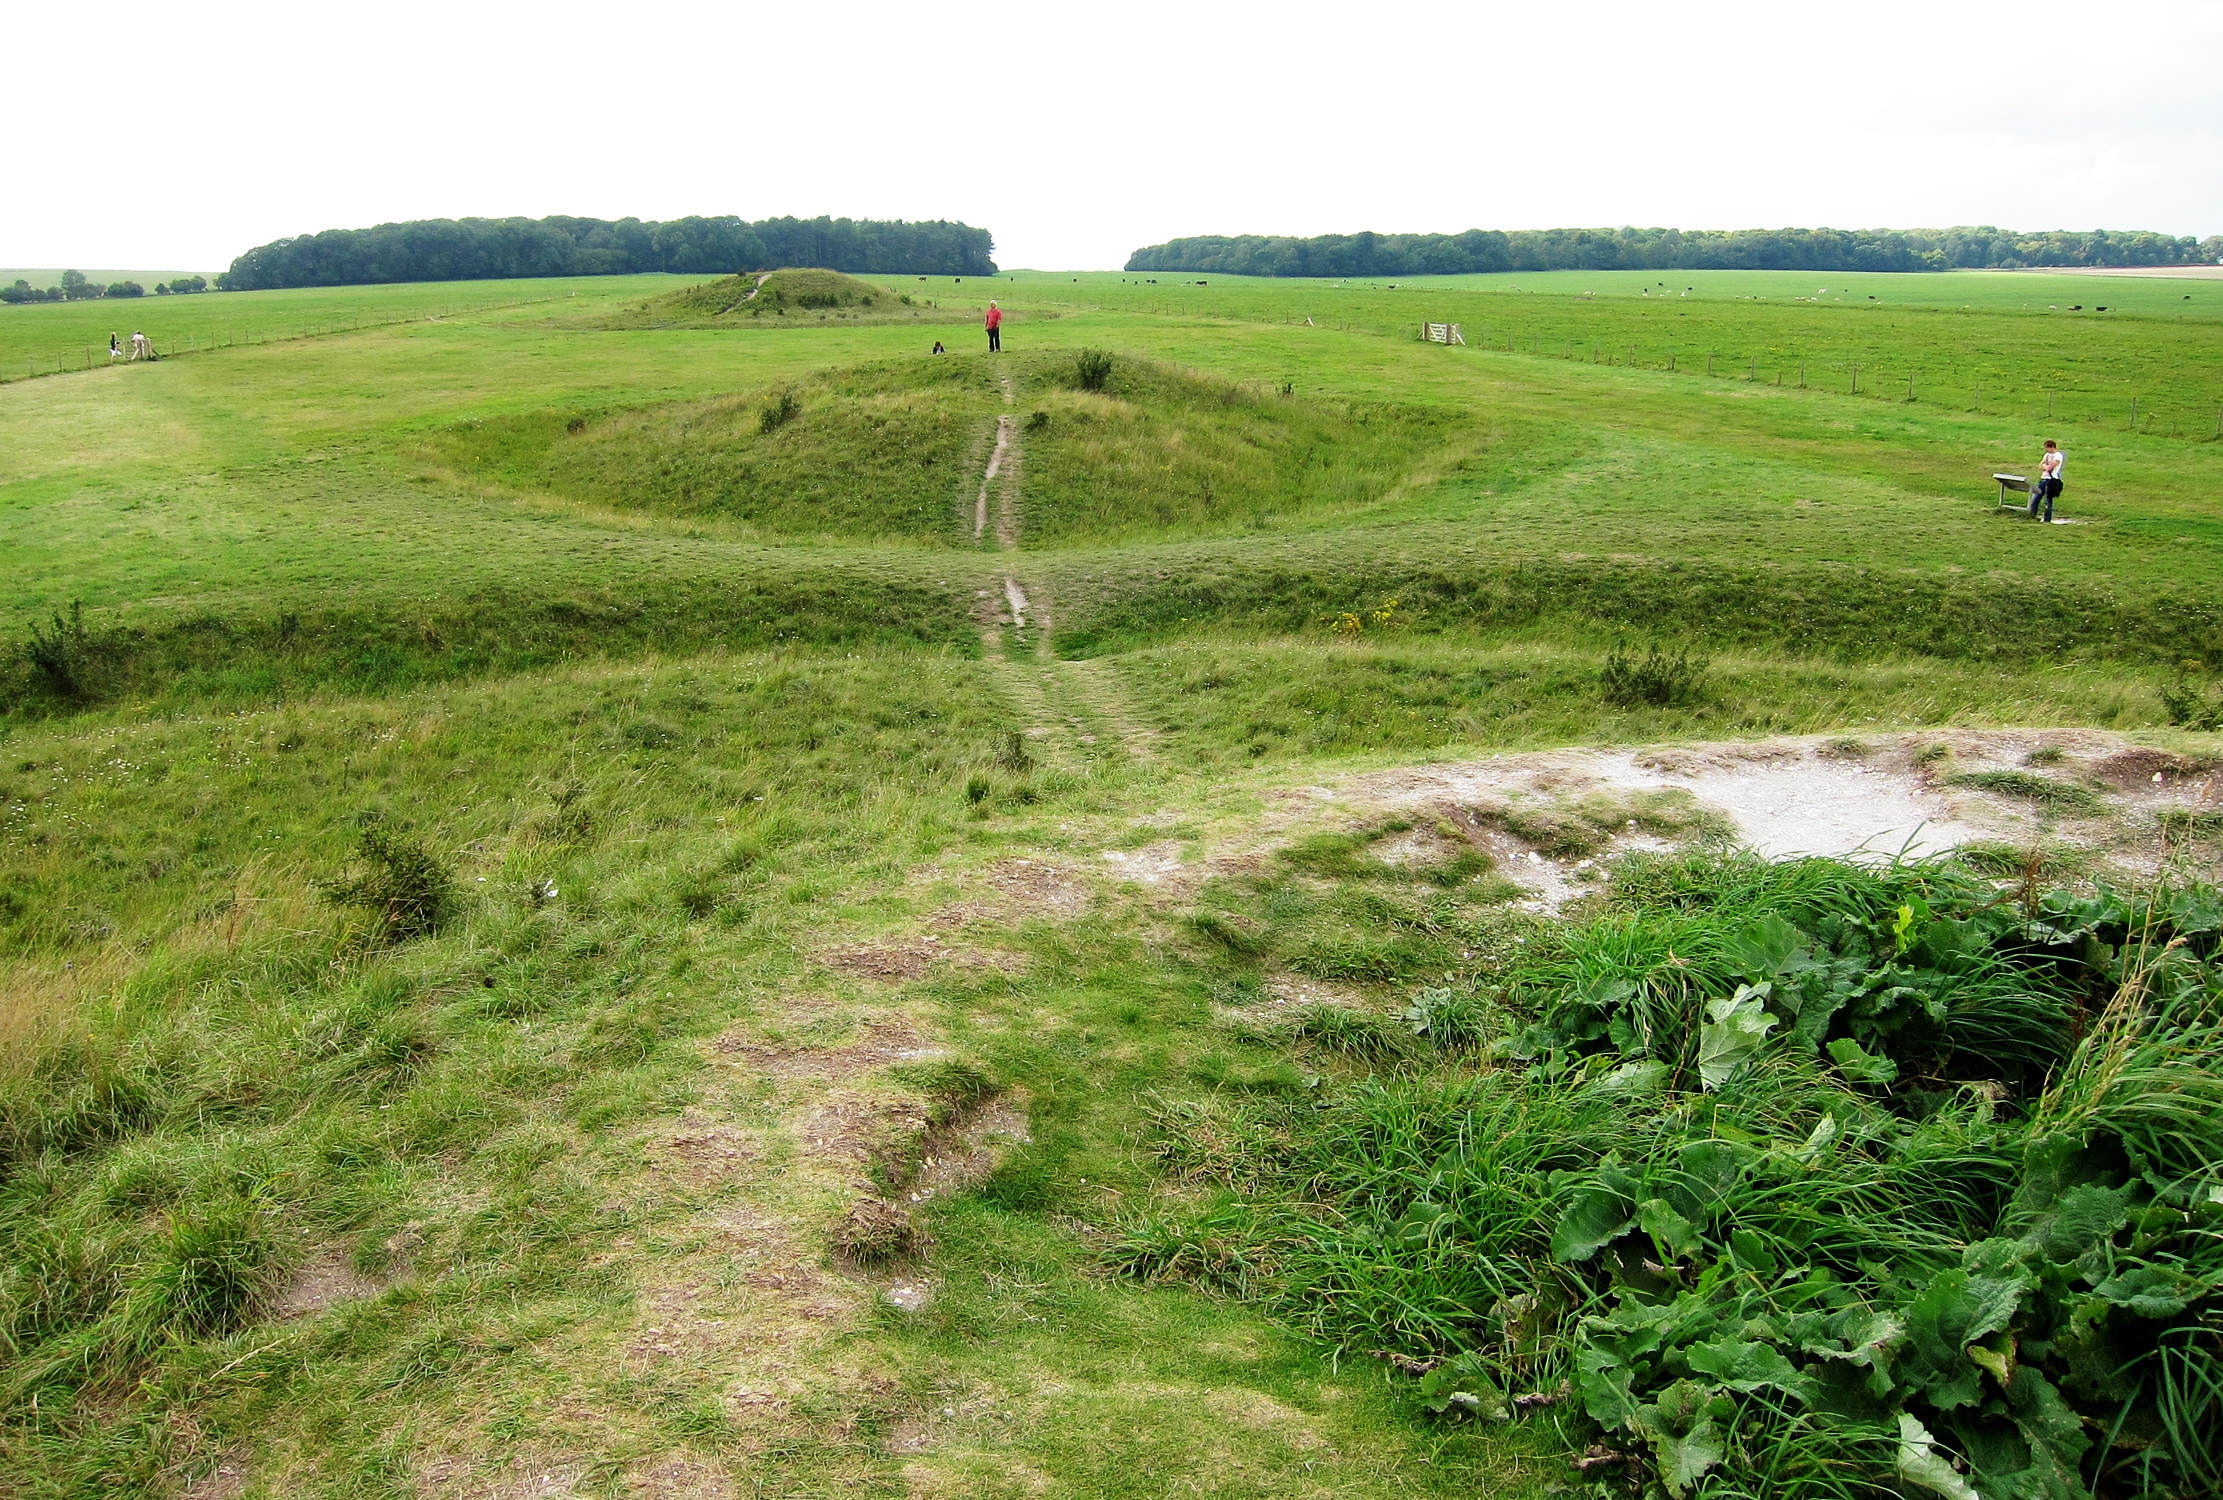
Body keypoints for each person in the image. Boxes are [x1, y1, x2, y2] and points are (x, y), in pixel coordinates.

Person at [2029, 440, 2064, 522]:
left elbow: (2050, 468)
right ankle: (2032, 515)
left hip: (2051, 480)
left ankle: (2047, 519)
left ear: (2052, 447)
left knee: (2048, 500)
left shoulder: (2058, 456)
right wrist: (2045, 466)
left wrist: (2045, 466)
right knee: (2036, 498)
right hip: (2043, 478)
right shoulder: (2047, 455)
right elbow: (2040, 465)